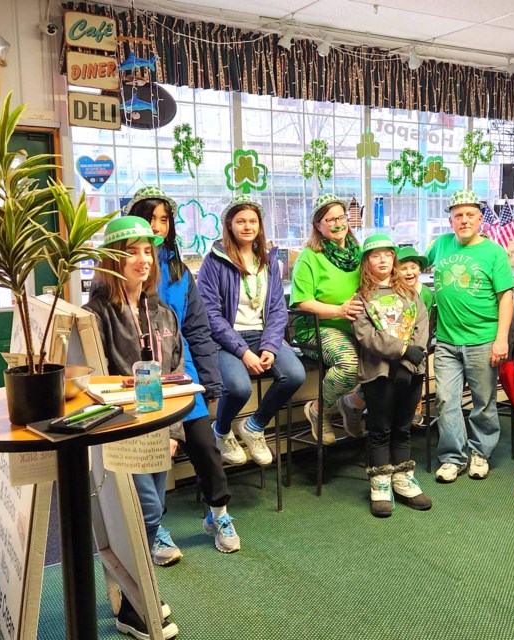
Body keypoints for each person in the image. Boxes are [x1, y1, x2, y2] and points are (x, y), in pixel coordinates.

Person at [124, 187, 239, 557]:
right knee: (155, 457)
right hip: (139, 381)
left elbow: (199, 330)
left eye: (163, 219)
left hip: (182, 374)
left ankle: (218, 514)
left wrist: (211, 382)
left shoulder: (179, 271)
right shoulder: (121, 265)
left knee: (205, 447)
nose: (157, 227)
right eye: (149, 218)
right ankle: (154, 528)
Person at [82, 216, 182, 640]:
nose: (142, 259)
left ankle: (132, 598)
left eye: (148, 250)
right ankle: (137, 607)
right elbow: (92, 380)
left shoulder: (163, 311)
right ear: (111, 260)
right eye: (131, 252)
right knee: (141, 514)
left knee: (149, 516)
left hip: (159, 429)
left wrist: (174, 432)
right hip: (119, 434)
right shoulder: (94, 315)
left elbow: (175, 370)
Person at [198, 195, 306, 470]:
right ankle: (221, 432)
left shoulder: (269, 260)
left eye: (252, 221)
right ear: (229, 225)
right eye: (240, 221)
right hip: (225, 340)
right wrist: (244, 352)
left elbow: (278, 309)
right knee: (238, 387)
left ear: (260, 225)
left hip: (262, 335)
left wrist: (269, 346)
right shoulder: (213, 261)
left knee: (294, 375)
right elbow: (210, 314)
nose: (247, 227)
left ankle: (254, 426)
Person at [427, 189, 514, 483]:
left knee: (483, 401)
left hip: (483, 339)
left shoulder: (493, 252)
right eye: (458, 215)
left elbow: (506, 296)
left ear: (480, 219)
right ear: (450, 220)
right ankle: (453, 457)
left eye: (469, 215)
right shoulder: (440, 245)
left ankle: (480, 453)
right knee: (446, 400)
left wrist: (501, 339)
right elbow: (411, 267)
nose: (463, 220)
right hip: (447, 340)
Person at [352, 234, 431, 517]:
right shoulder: (361, 299)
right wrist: (402, 351)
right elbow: (367, 337)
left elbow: (422, 325)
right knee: (380, 427)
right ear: (366, 262)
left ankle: (402, 478)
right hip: (380, 373)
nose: (383, 259)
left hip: (412, 371)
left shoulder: (411, 294)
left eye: (388, 254)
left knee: (403, 425)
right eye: (375, 255)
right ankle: (380, 482)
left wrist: (410, 361)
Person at [289, 193, 367, 443]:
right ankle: (318, 409)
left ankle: (353, 404)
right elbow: (303, 302)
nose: (338, 224)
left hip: (356, 327)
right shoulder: (309, 257)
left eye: (341, 217)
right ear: (318, 226)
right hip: (317, 328)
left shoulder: (359, 253)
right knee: (350, 364)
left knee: (389, 361)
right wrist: (339, 310)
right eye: (329, 219)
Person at [396, 245, 434, 425]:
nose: (409, 272)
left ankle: (416, 404)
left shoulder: (425, 293)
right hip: (397, 342)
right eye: (403, 268)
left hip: (419, 341)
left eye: (413, 267)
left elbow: (428, 322)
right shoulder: (393, 291)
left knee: (418, 365)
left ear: (420, 270)